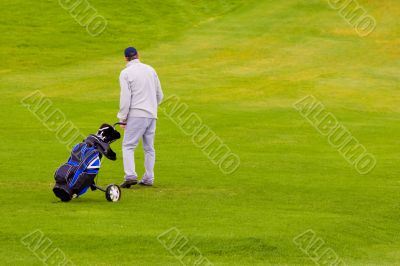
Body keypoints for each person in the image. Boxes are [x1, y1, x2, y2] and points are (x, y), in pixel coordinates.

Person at [118, 47, 164, 188]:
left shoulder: (125, 73)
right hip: (152, 114)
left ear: (125, 58)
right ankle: (149, 178)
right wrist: (151, 106)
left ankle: (130, 175)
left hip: (136, 114)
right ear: (138, 55)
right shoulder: (150, 70)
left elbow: (125, 98)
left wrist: (122, 117)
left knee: (128, 146)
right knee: (149, 148)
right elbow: (160, 95)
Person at [53, 124, 121, 202]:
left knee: (78, 166)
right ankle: (71, 188)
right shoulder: (99, 145)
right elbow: (111, 155)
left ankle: (67, 187)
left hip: (74, 165)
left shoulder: (82, 144)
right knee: (85, 170)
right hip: (84, 168)